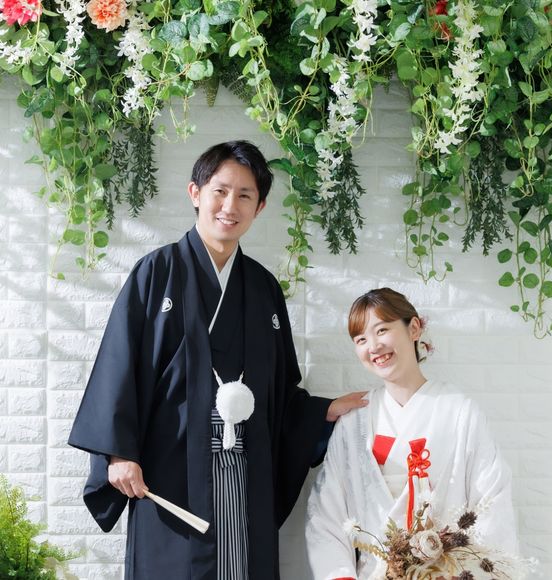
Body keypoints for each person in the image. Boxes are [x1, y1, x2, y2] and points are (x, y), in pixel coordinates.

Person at [68, 140, 367, 580]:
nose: (230, 206)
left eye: (245, 195)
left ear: (259, 207)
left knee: (241, 565)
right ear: (196, 193)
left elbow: (279, 392)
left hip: (245, 470)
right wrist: (118, 453)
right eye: (220, 192)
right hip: (171, 469)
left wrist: (320, 412)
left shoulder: (263, 287)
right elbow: (119, 367)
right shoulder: (156, 273)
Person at [305, 288, 518, 579]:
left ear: (414, 328)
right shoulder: (354, 421)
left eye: (382, 330)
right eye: (361, 339)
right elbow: (326, 515)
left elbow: (491, 504)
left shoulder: (459, 411)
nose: (373, 346)